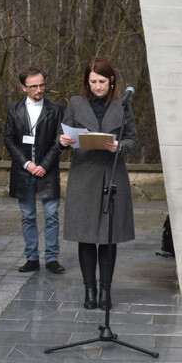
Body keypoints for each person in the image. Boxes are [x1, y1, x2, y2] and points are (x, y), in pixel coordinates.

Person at [58, 57, 138, 310]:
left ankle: (106, 292)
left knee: (108, 237)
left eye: (102, 81)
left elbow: (133, 140)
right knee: (85, 237)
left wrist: (120, 146)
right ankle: (89, 292)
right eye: (92, 81)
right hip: (83, 176)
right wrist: (63, 141)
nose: (97, 86)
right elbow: (62, 136)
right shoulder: (75, 103)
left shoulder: (122, 105)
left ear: (111, 80)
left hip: (112, 175)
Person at [4, 67, 65, 274]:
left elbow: (59, 141)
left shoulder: (56, 109)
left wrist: (43, 165)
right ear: (23, 88)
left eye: (42, 84)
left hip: (47, 171)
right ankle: (31, 257)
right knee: (28, 216)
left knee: (51, 215)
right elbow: (9, 140)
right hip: (23, 172)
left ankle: (51, 258)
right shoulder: (14, 109)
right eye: (34, 86)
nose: (39, 89)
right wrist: (27, 164)